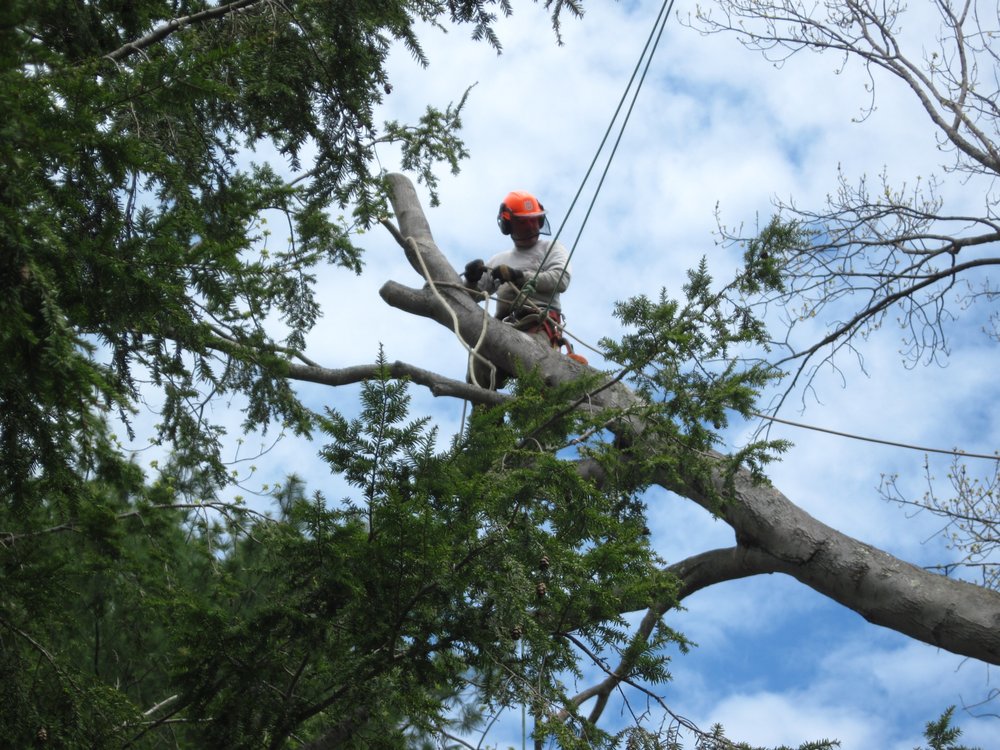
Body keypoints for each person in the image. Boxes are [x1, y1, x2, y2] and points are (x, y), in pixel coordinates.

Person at [462, 190, 574, 389]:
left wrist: (519, 276)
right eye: (524, 222)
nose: (531, 227)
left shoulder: (551, 248)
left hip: (537, 324)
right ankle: (486, 409)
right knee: (477, 367)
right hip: (504, 325)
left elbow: (561, 279)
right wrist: (471, 279)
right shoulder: (499, 260)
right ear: (508, 225)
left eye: (534, 221)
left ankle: (537, 405)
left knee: (536, 369)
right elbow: (471, 296)